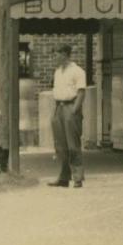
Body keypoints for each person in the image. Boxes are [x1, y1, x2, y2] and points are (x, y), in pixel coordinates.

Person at [48, 44, 87, 188]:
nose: (54, 57)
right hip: (59, 108)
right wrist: (55, 111)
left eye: (56, 54)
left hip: (71, 107)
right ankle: (63, 177)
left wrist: (74, 110)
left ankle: (77, 177)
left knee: (73, 144)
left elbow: (81, 92)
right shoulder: (57, 72)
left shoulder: (78, 71)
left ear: (65, 54)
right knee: (60, 145)